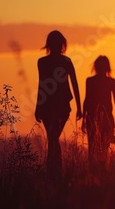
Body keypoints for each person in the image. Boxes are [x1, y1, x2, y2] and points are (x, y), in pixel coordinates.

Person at [35, 30, 82, 183]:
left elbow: (75, 84)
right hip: (49, 107)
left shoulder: (66, 62)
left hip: (61, 106)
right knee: (53, 138)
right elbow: (41, 85)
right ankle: (55, 174)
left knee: (53, 138)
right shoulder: (43, 62)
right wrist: (38, 107)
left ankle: (54, 173)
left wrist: (79, 107)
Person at [83, 55, 115, 175]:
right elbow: (87, 99)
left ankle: (98, 171)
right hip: (98, 117)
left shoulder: (106, 81)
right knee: (97, 146)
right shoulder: (98, 81)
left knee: (100, 145)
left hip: (102, 117)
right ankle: (98, 171)